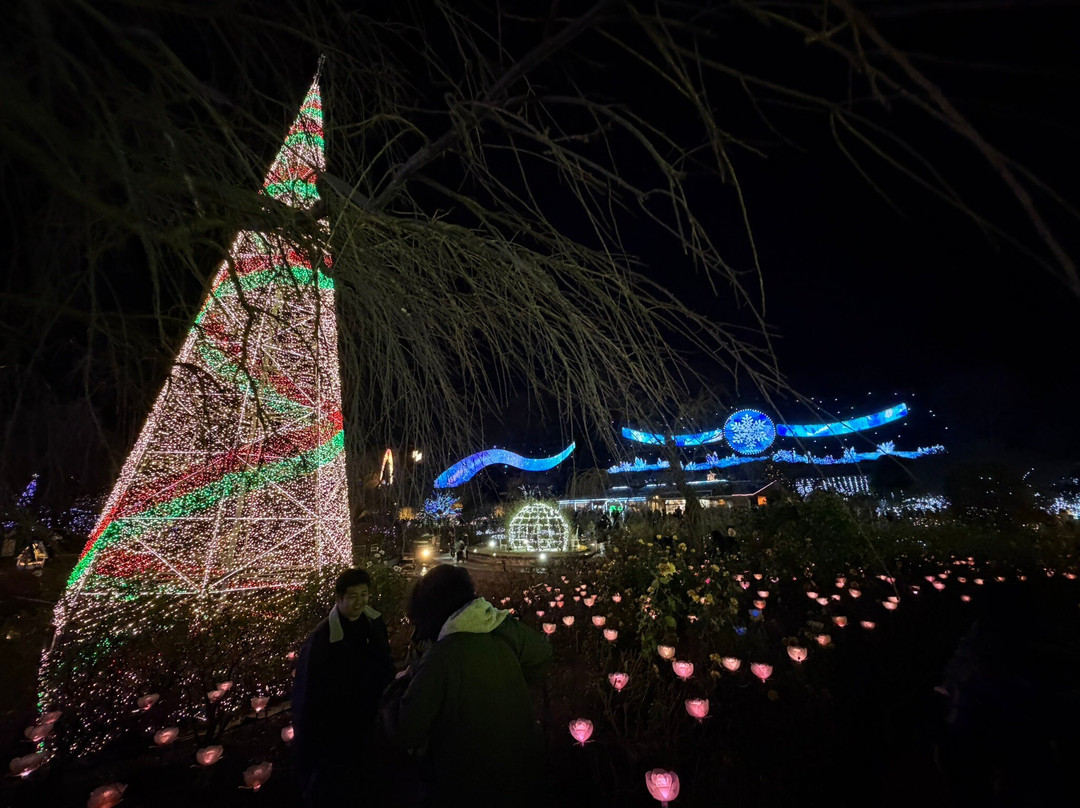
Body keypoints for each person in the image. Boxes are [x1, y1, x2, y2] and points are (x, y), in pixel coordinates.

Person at [383, 564, 552, 807]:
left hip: (467, 781)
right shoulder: (500, 627)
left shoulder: (441, 657)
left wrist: (399, 688)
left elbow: (407, 729)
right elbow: (542, 653)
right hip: (519, 769)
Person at [291, 568, 396, 807]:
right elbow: (307, 693)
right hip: (338, 726)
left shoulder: (373, 622)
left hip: (371, 718)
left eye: (364, 594)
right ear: (339, 598)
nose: (360, 601)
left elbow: (384, 661)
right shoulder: (322, 639)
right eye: (353, 596)